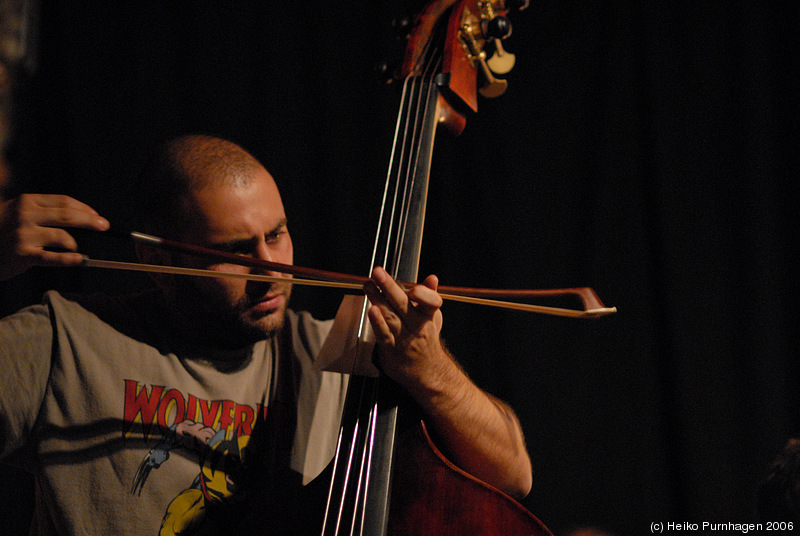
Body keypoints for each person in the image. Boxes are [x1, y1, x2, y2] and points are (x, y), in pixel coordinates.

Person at [0, 135, 533, 535]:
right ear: (157, 260)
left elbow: (512, 474)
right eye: (235, 250)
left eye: (276, 235)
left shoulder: (339, 352)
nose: (271, 268)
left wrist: (432, 370)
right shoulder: (62, 339)